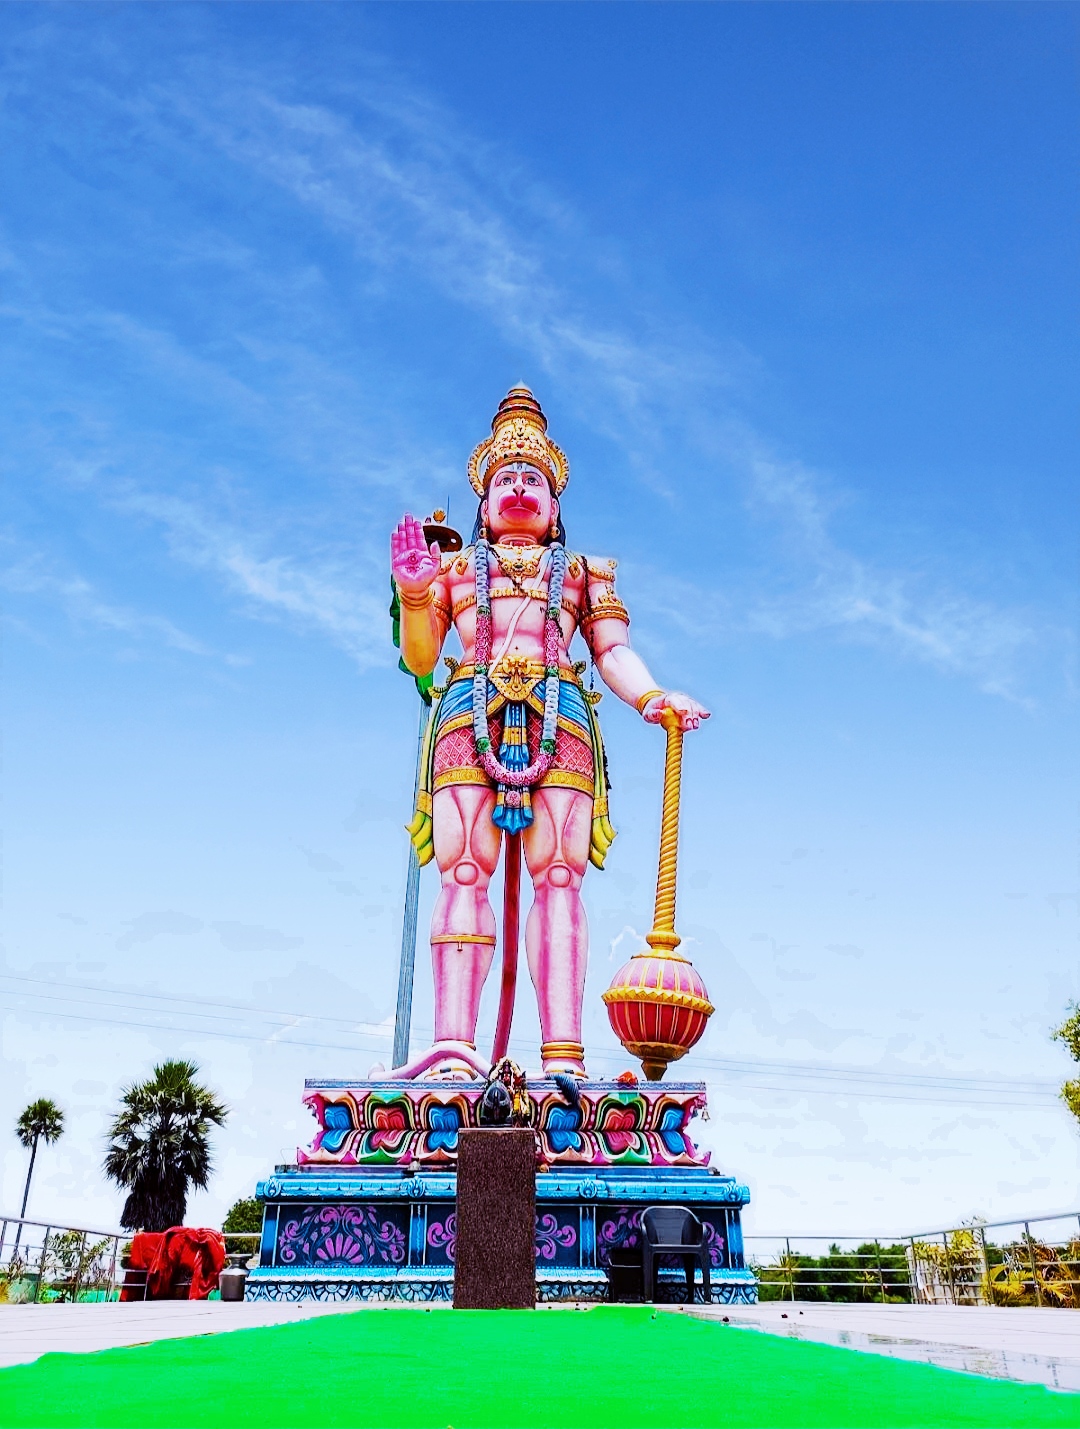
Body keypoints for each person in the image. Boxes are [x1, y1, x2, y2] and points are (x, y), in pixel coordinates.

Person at [391, 387, 708, 1079]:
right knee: (463, 868)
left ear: (557, 504)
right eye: (505, 478)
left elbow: (613, 650)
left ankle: (564, 1056)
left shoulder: (587, 574)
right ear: (481, 501)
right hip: (464, 719)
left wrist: (653, 696)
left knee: (559, 875)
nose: (519, 488)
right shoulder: (451, 571)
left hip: (559, 715)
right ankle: (454, 1054)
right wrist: (416, 594)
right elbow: (421, 656)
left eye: (533, 478)